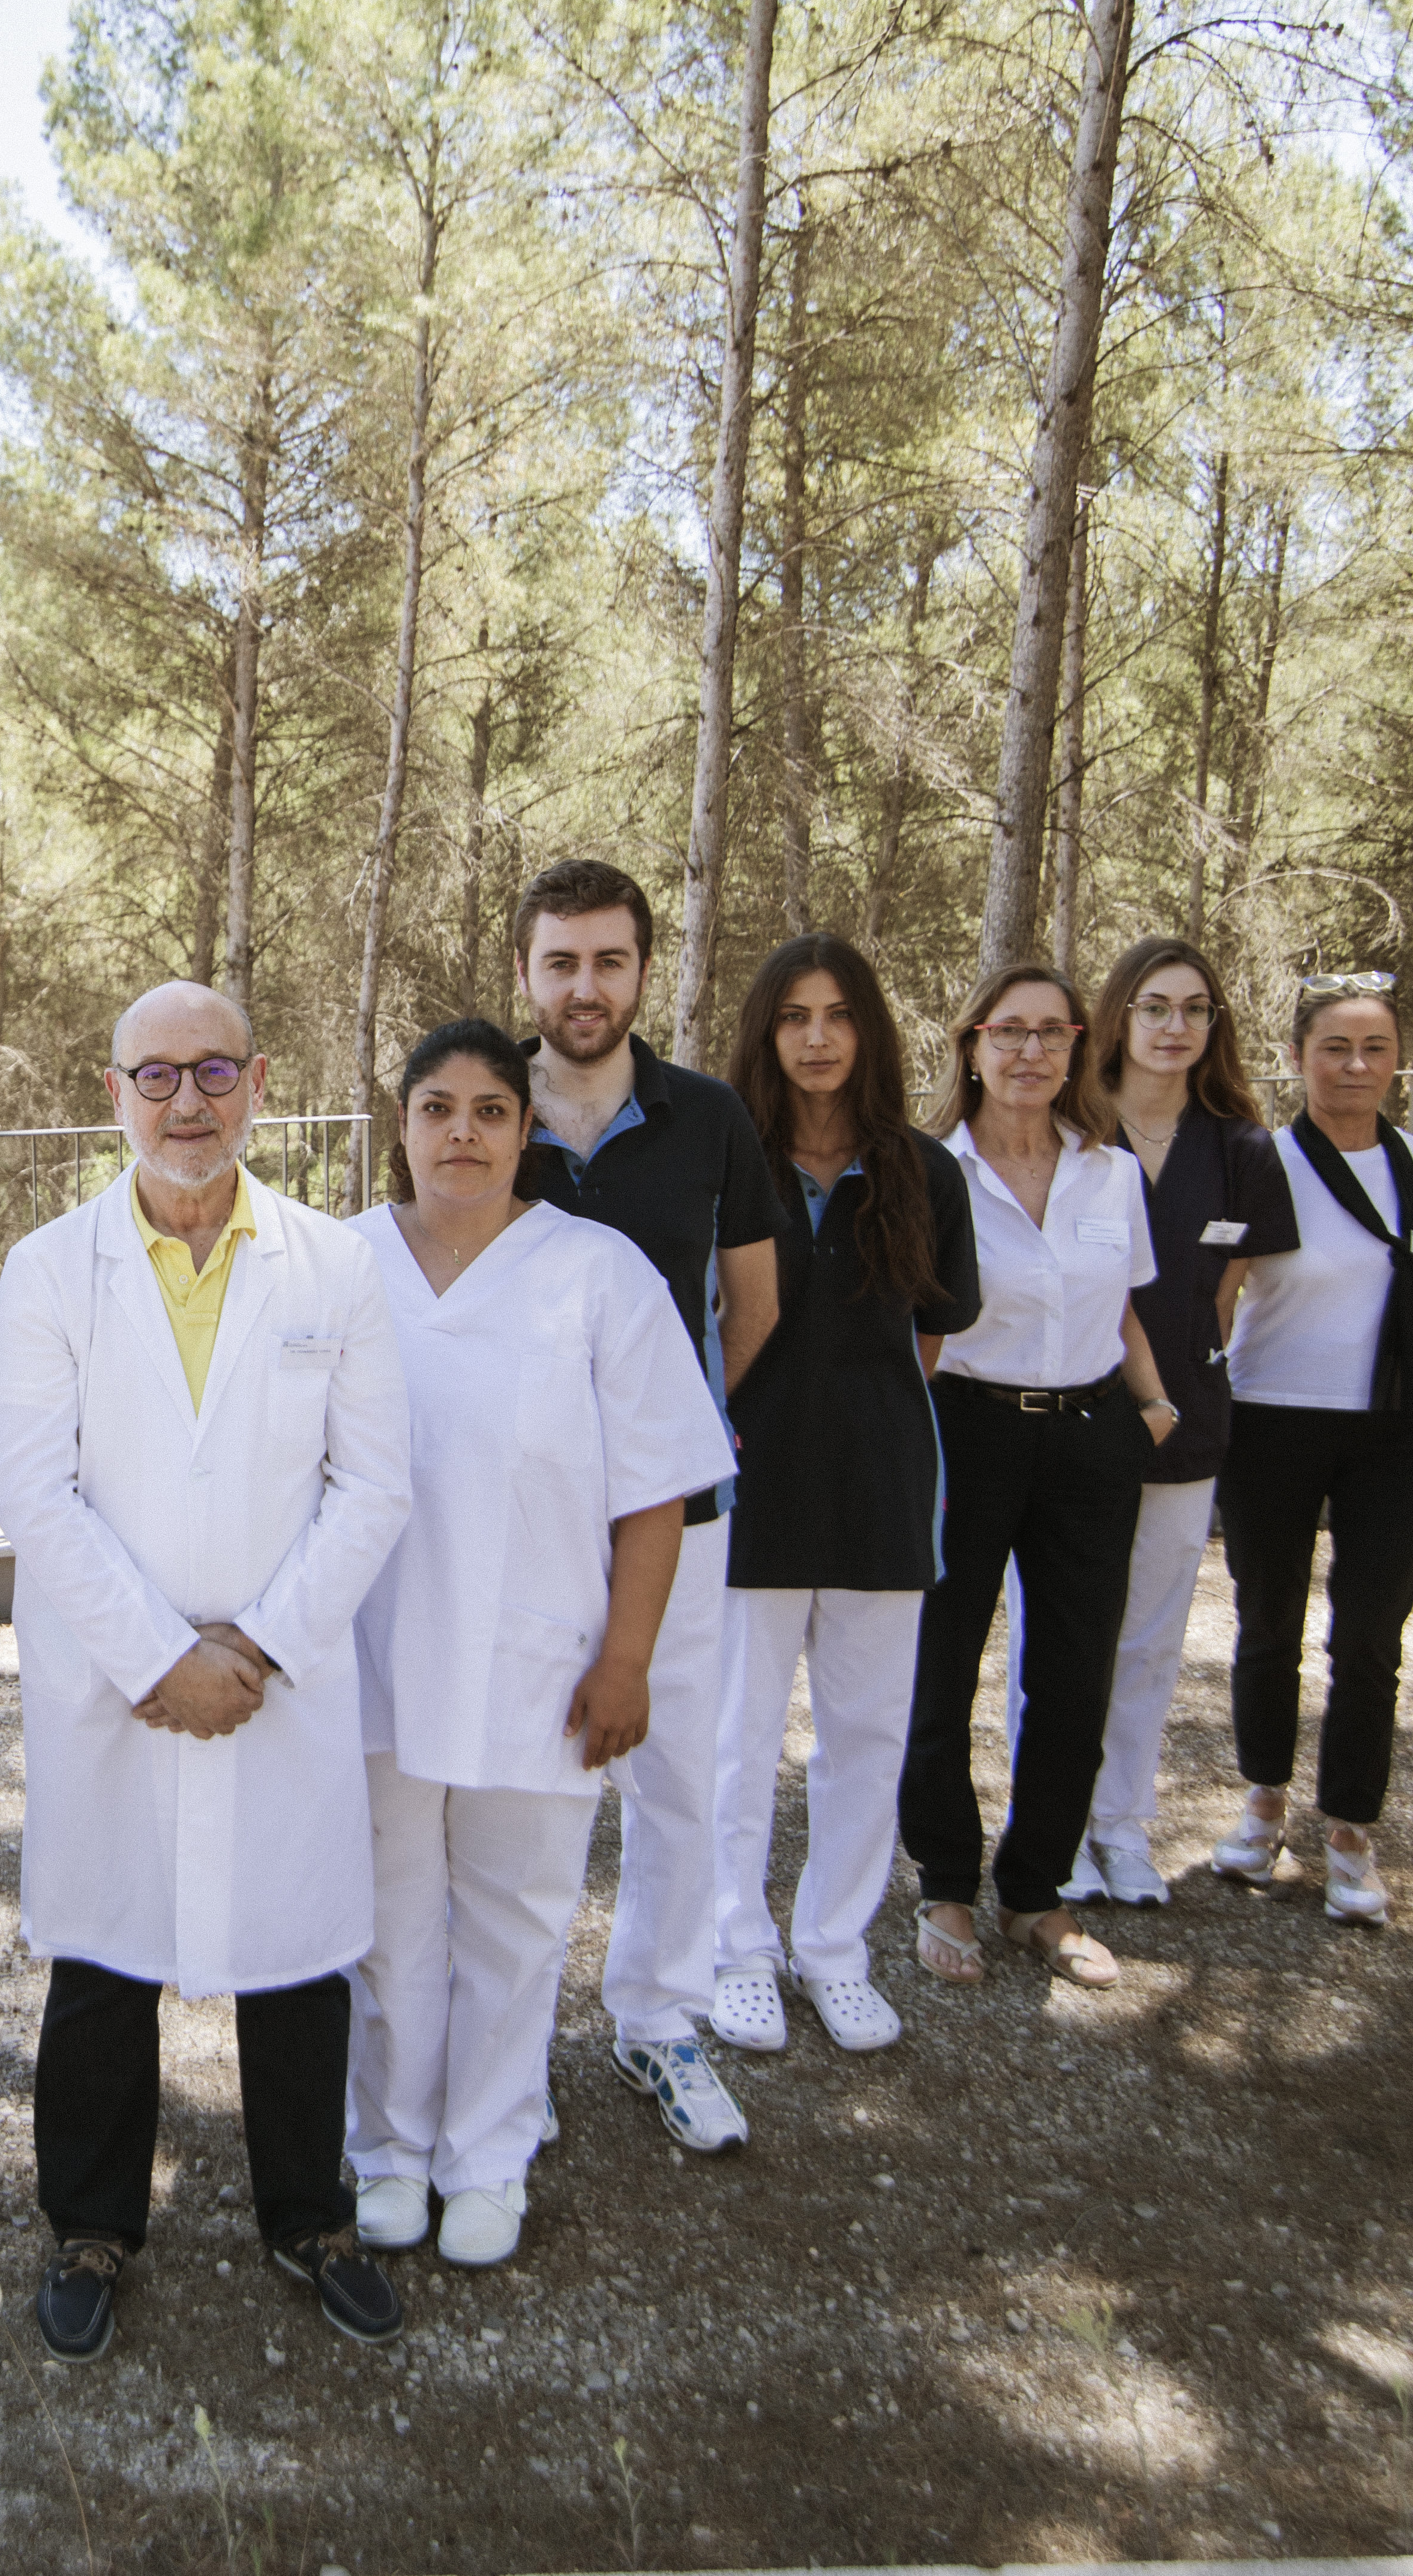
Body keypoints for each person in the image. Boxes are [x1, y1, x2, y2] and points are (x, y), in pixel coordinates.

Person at [0, 980, 414, 2361]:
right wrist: (163, 1654)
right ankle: (91, 2223)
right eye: (157, 1073)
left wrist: (261, 1645)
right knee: (104, 1954)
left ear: (260, 1080)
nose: (188, 1100)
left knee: (298, 1954)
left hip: (277, 1675)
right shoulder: (49, 1267)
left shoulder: (333, 1265)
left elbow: (375, 1484)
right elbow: (38, 1493)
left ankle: (309, 2215)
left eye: (215, 1070)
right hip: (116, 1679)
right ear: (115, 1090)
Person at [345, 1021, 730, 2270]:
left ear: (527, 1132)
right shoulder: (337, 1266)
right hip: (374, 1656)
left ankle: (488, 2156)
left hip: (541, 1660)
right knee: (390, 1918)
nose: (462, 1132)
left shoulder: (599, 1273)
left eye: (491, 1110)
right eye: (437, 1107)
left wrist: (628, 1659)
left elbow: (658, 1491)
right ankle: (390, 2149)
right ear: (402, 1125)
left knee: (517, 1919)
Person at [504, 859, 785, 2147]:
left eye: (609, 961)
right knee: (520, 1787)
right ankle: (511, 2047)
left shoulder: (710, 1116)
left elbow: (754, 1302)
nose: (585, 986)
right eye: (561, 961)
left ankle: (659, 2022)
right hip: (521, 1520)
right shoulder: (482, 1103)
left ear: (642, 972)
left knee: (675, 1779)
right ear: (527, 972)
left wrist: (670, 1437)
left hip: (676, 1517)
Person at [713, 935, 982, 2053]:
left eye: (838, 1015)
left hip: (881, 1493)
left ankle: (833, 1950)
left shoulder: (927, 1172)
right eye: (794, 1017)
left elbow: (931, 1339)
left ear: (868, 1030)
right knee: (735, 1741)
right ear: (765, 1034)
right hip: (750, 1491)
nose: (817, 1039)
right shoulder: (731, 1160)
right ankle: (736, 1951)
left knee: (867, 1738)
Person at [904, 966, 1176, 1992]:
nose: (1030, 1052)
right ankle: (945, 1884)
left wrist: (1154, 1406)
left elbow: (1123, 1308)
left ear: (1076, 1049)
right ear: (972, 1045)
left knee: (1074, 1674)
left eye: (1051, 1033)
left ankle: (1036, 1893)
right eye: (1009, 1032)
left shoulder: (1112, 1173)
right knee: (941, 1664)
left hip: (1091, 1436)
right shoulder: (932, 1170)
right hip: (968, 1430)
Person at [1037, 938, 1300, 1907]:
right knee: (1061, 1638)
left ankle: (1120, 1826)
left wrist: (1176, 1383)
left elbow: (1222, 1300)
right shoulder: (1067, 1132)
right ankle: (1055, 1829)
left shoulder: (1240, 1151)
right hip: (1068, 1420)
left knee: (1149, 1637)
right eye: (1155, 1007)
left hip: (1183, 1423)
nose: (1174, 1027)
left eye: (1195, 1009)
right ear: (1119, 1017)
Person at [1211, 974, 1413, 1928]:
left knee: (1369, 1635)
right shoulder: (1262, 1161)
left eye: (1375, 1048)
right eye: (1335, 1048)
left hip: (1403, 1423)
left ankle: (1351, 1829)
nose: (1356, 1066)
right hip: (1276, 1414)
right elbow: (1221, 1293)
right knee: (1267, 1621)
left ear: (1397, 1061)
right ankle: (1264, 1803)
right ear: (1296, 1058)